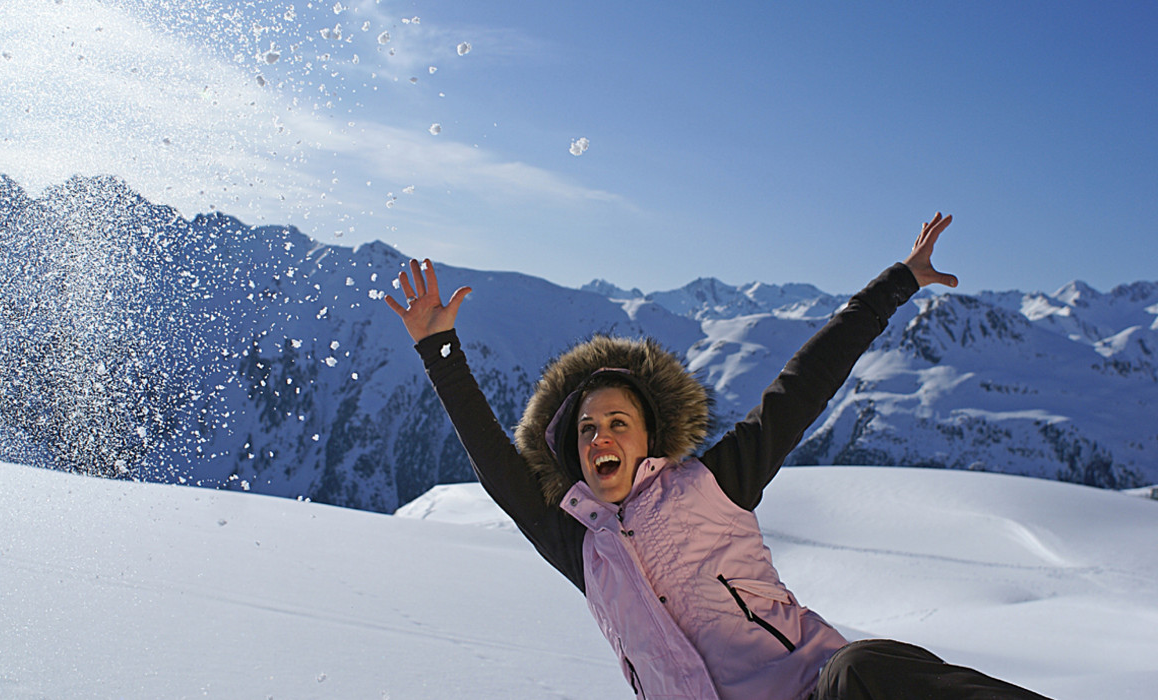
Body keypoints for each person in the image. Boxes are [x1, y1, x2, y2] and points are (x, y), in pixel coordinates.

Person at [384, 213, 1052, 700]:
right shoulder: (578, 546)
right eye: (586, 431)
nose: (600, 439)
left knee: (866, 670)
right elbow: (502, 473)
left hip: (811, 693)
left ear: (651, 438)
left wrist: (899, 281)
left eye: (618, 422)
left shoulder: (715, 483)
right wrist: (439, 349)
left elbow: (804, 383)